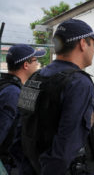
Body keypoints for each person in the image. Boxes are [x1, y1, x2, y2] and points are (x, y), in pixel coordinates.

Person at [18, 19, 94, 175]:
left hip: (32, 167)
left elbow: (21, 128)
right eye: (93, 43)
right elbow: (66, 146)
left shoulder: (36, 77)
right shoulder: (79, 83)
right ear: (83, 43)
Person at [0, 44, 45, 174]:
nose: (37, 64)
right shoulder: (12, 93)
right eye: (36, 60)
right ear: (26, 65)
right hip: (7, 165)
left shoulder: (6, 86)